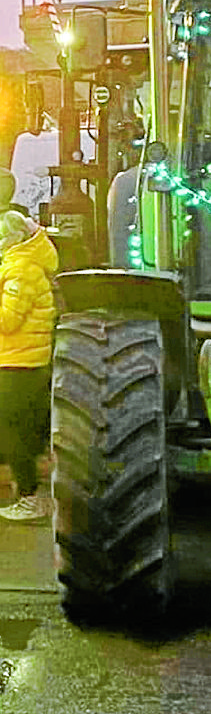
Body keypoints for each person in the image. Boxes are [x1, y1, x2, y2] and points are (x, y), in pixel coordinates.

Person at [0, 210, 59, 523]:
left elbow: (8, 320)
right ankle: (27, 490)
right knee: (23, 427)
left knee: (13, 430)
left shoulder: (21, 269)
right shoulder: (24, 264)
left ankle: (28, 496)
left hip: (17, 361)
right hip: (24, 359)